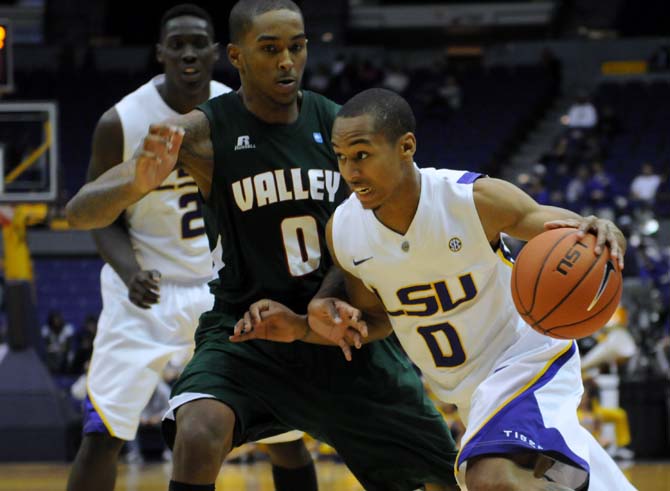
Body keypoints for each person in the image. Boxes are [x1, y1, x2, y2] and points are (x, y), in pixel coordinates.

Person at [64, 2, 461, 491]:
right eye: (270, 49)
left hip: (336, 329)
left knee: (444, 475)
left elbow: (385, 220)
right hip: (247, 331)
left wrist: (330, 297)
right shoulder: (203, 132)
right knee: (199, 428)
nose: (287, 61)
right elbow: (80, 211)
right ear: (237, 56)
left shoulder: (339, 127)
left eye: (296, 47)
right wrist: (136, 182)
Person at [230, 88, 638, 491]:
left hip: (526, 360)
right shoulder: (346, 230)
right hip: (467, 394)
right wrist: (303, 326)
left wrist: (606, 228)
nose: (351, 171)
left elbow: (569, 228)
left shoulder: (472, 200)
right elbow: (377, 320)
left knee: (489, 479)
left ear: (406, 146)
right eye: (341, 157)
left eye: (363, 154)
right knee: (530, 475)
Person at [66, 5, 317, 491]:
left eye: (197, 43)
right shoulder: (120, 121)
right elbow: (98, 217)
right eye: (176, 43)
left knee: (283, 433)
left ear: (218, 52)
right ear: (160, 51)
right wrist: (128, 271)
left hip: (225, 288)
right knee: (103, 435)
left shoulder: (244, 108)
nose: (187, 53)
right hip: (145, 292)